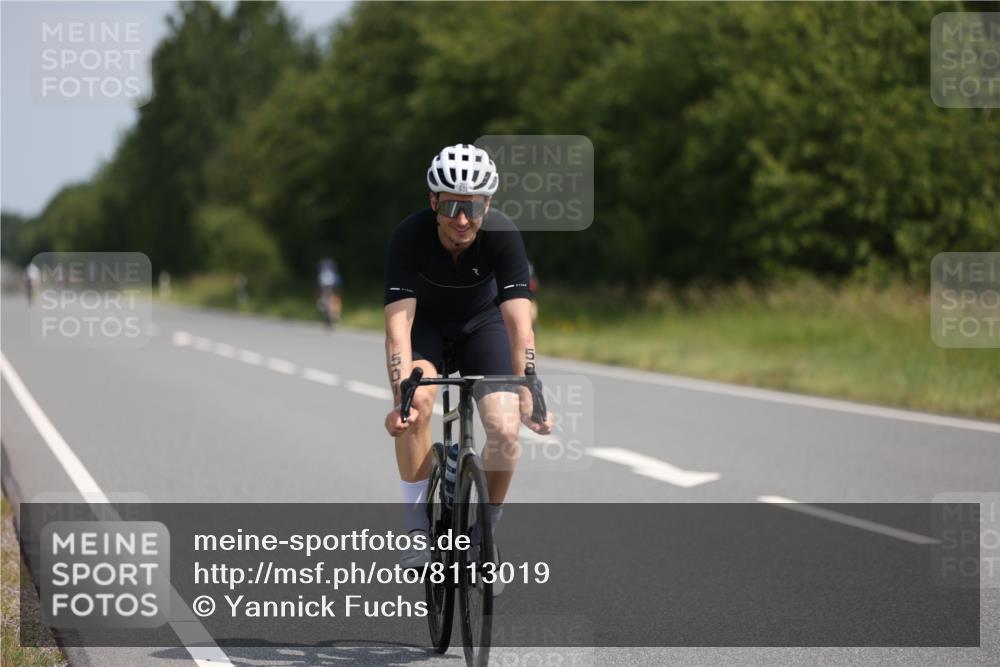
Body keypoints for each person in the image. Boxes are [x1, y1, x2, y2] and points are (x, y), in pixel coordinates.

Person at [383, 144, 553, 568]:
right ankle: (417, 531)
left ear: (488, 205)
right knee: (419, 402)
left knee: (506, 427)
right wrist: (400, 398)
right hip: (427, 328)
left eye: (473, 208)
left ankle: (485, 533)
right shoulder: (409, 236)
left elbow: (519, 324)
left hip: (482, 328)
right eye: (453, 206)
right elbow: (398, 328)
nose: (462, 220)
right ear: (434, 201)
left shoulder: (504, 235)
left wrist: (530, 387)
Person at [316, 257, 342, 326]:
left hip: (325, 286)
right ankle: (334, 312)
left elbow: (319, 287)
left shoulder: (322, 272)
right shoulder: (333, 273)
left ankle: (324, 306)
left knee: (325, 298)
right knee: (335, 297)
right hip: (331, 285)